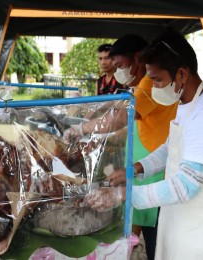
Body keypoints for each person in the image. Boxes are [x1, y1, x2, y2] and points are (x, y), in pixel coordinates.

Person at [84, 28, 203, 260]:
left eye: (157, 80)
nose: (153, 87)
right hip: (181, 219)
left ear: (182, 75)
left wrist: (122, 195)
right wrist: (134, 169)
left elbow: (185, 186)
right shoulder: (186, 104)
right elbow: (170, 148)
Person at [64, 34, 178, 260]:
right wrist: (108, 138)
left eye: (120, 65)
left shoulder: (149, 83)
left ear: (137, 58)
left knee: (154, 228)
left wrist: (82, 129)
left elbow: (120, 117)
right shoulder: (142, 85)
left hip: (157, 167)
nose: (118, 72)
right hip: (145, 162)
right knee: (141, 222)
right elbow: (133, 123)